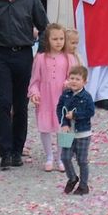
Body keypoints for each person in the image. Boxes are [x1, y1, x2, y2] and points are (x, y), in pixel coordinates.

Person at [0, 0, 49, 170]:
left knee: (21, 105)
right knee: (3, 103)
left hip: (23, 54)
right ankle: (5, 151)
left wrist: (42, 55)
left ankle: (17, 149)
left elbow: (44, 27)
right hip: (1, 54)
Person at [28, 24, 76, 173]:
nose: (58, 42)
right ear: (47, 40)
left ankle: (62, 157)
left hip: (63, 99)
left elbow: (74, 78)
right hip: (46, 99)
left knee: (64, 129)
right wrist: (34, 93)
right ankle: (49, 156)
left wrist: (70, 83)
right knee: (45, 128)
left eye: (61, 38)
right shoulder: (40, 59)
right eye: (55, 39)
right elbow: (34, 80)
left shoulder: (69, 58)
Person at [55, 64, 95, 195]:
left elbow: (90, 112)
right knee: (65, 157)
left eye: (77, 79)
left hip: (82, 133)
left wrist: (76, 116)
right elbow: (60, 108)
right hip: (67, 132)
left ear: (84, 81)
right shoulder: (65, 95)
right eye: (71, 78)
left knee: (82, 160)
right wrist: (64, 123)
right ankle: (72, 178)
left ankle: (83, 185)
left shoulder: (86, 97)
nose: (74, 81)